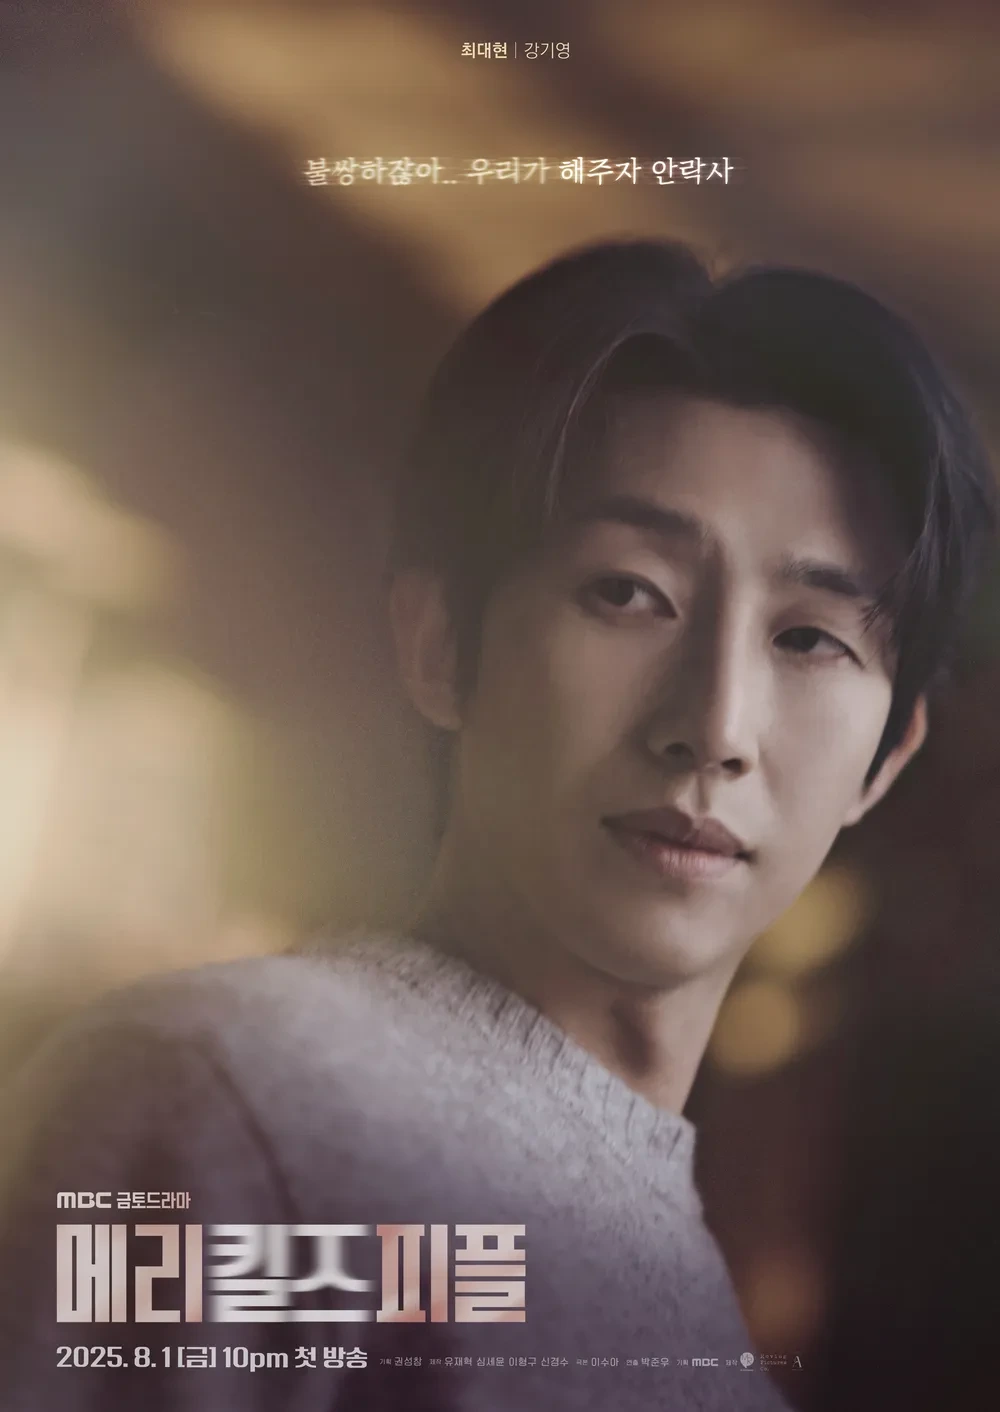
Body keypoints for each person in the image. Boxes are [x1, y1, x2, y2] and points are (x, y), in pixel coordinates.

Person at [0, 239, 994, 1412]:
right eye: (628, 590)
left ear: (885, 758)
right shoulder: (235, 1094)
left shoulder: (702, 1325)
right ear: (438, 645)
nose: (715, 726)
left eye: (810, 638)